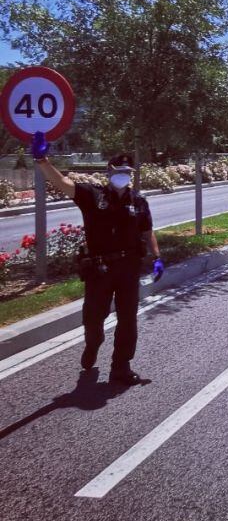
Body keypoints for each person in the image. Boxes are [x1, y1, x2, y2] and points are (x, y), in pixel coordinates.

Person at [31, 133, 163, 385]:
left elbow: (147, 232)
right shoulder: (93, 196)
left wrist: (157, 257)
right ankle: (93, 344)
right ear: (109, 171)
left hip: (128, 267)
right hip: (99, 267)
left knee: (128, 319)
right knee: (94, 317)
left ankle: (121, 368)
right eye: (118, 170)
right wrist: (42, 160)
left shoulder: (139, 202)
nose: (123, 175)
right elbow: (63, 184)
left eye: (127, 170)